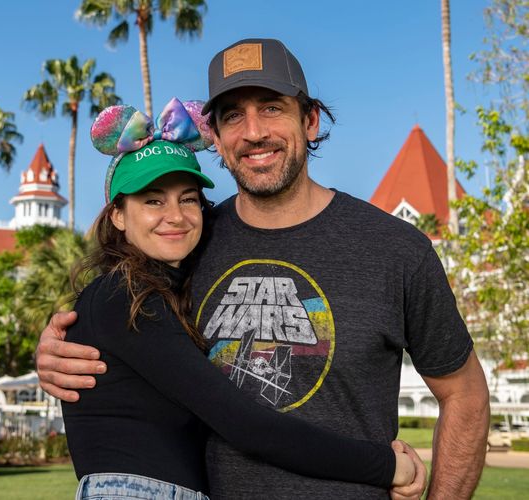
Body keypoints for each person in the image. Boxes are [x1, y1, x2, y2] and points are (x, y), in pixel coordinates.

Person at [38, 38, 490, 499]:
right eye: (232, 115)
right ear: (213, 135)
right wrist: (60, 344)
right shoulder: (186, 242)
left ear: (310, 120)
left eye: (272, 108)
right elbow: (122, 318)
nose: (253, 132)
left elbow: (465, 396)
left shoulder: (396, 250)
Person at [64, 97, 421, 500]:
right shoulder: (123, 297)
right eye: (152, 200)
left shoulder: (156, 294)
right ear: (117, 215)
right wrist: (387, 466)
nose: (176, 215)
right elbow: (248, 426)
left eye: (188, 198)